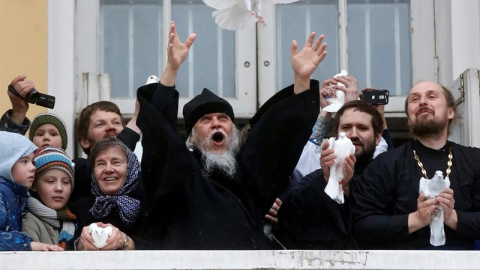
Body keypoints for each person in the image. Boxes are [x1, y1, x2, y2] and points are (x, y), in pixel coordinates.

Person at [136, 21, 325, 249]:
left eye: (223, 118)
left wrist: (301, 81)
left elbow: (279, 139)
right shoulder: (181, 172)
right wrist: (171, 70)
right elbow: (160, 139)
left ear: (232, 131)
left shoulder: (249, 173)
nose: (216, 123)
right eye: (205, 120)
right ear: (192, 137)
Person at [352, 80, 480, 249]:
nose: (422, 102)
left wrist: (451, 217)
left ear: (451, 111)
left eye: (432, 96)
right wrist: (417, 219)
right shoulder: (387, 163)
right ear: (409, 118)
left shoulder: (475, 160)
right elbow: (362, 225)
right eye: (414, 99)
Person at [277, 100, 384, 249]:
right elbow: (287, 221)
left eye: (362, 128)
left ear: (378, 137)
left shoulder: (388, 176)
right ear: (336, 135)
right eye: (346, 128)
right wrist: (328, 181)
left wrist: (347, 190)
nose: (353, 134)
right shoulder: (315, 178)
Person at [75, 138, 144, 250]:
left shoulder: (146, 205)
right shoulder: (80, 208)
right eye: (100, 164)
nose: (108, 169)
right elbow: (63, 246)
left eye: (116, 162)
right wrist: (80, 243)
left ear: (130, 167)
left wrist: (126, 241)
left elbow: (162, 246)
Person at [0, 131, 63, 251]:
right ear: (5, 163)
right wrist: (29, 244)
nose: (33, 167)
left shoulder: (17, 194)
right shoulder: (2, 191)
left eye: (32, 161)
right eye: (24, 161)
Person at [71, 100, 141, 205]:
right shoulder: (77, 171)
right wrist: (134, 126)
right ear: (85, 141)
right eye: (100, 124)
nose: (111, 127)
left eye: (116, 122)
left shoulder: (140, 182)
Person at [22, 147, 76, 249]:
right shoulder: (28, 220)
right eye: (50, 181)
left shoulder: (74, 220)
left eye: (66, 182)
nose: (59, 188)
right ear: (34, 185)